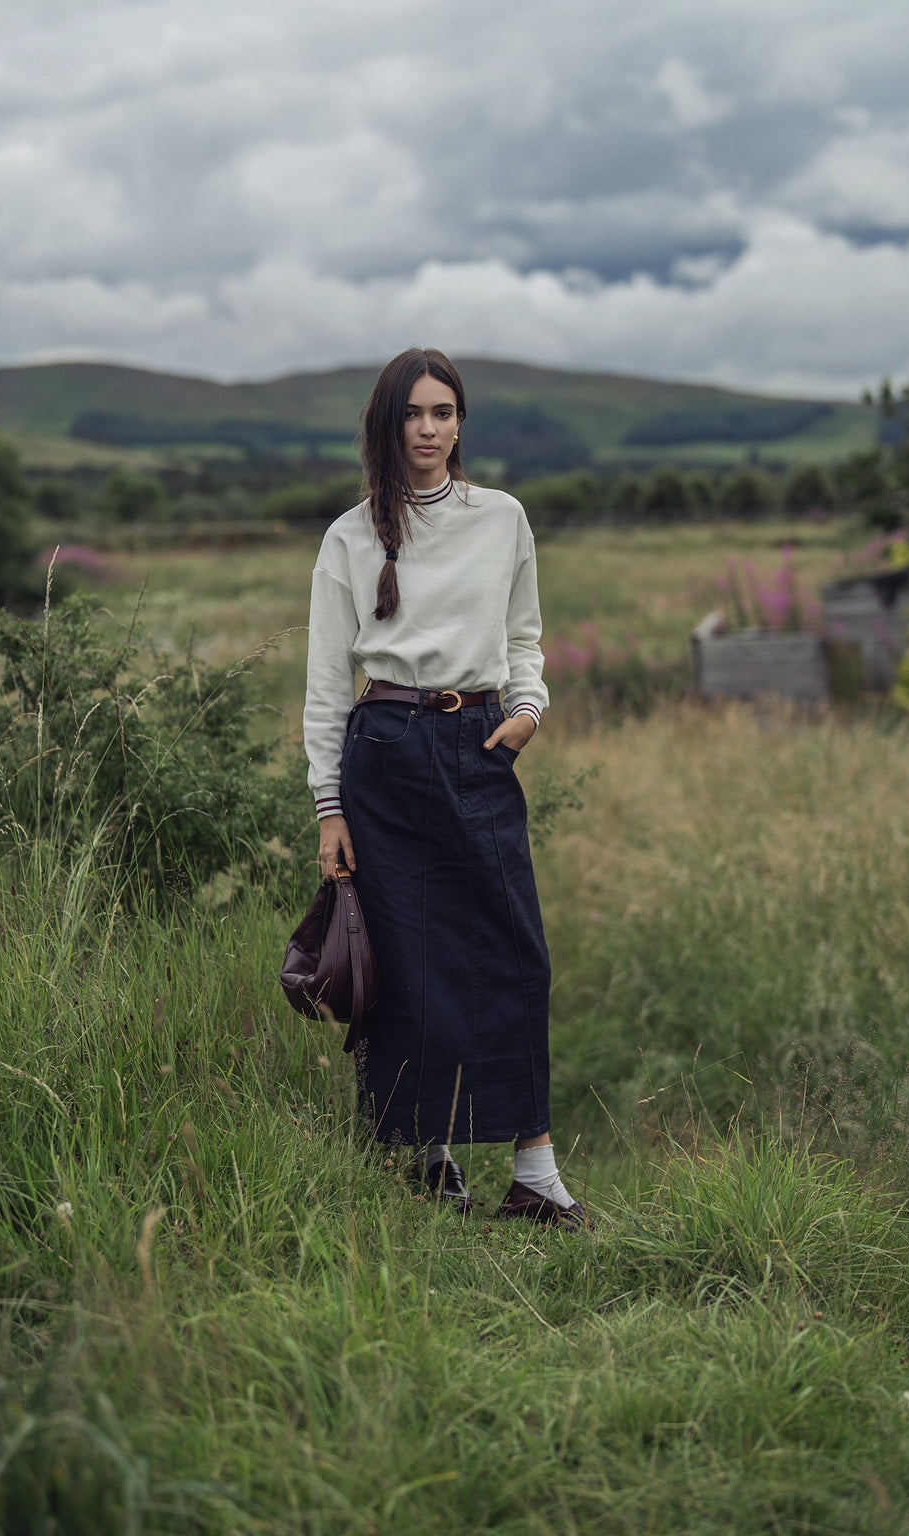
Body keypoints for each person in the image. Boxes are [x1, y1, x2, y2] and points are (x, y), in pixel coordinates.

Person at [303, 347, 586, 1227]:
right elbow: (324, 685)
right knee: (407, 956)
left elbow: (526, 635)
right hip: (383, 750)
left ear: (461, 422)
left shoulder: (501, 517)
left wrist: (529, 709)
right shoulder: (349, 536)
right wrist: (327, 806)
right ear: (387, 425)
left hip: (478, 740)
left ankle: (534, 1174)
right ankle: (427, 1159)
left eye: (444, 412)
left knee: (515, 952)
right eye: (412, 414)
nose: (428, 429)